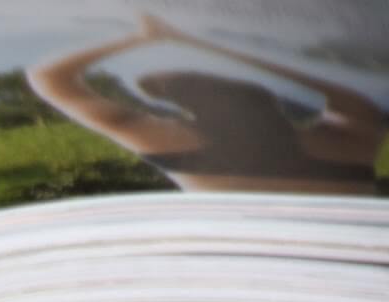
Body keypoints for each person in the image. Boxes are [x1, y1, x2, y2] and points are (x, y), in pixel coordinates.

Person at [28, 13, 384, 195]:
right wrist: (226, 50)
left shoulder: (182, 145)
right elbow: (355, 102)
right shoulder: (339, 144)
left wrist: (143, 37)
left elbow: (50, 80)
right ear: (263, 93)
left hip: (252, 287)